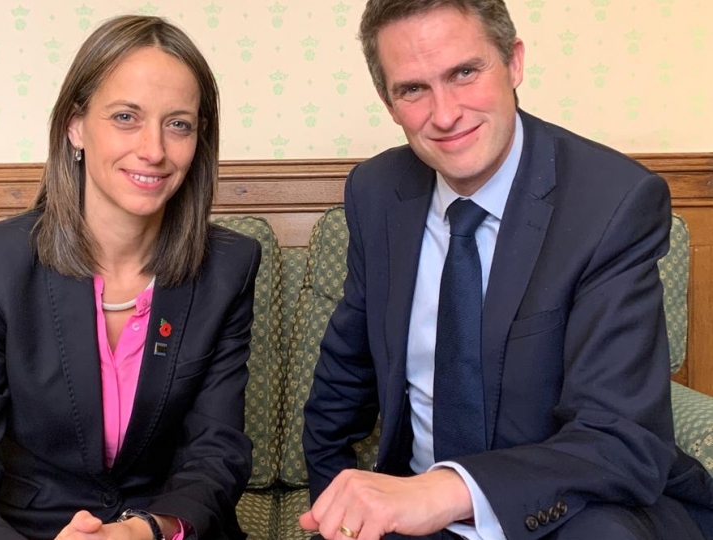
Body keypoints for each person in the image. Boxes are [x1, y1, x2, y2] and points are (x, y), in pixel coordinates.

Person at [300, 1, 713, 539]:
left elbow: (619, 436)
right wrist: (335, 507)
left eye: (465, 73)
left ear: (514, 63)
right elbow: (342, 379)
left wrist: (446, 490)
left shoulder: (612, 202)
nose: (445, 114)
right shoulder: (377, 193)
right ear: (388, 101)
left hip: (570, 512)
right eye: (413, 89)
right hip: (416, 518)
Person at [0, 15, 260, 540]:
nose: (154, 150)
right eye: (125, 116)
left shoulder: (229, 266)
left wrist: (150, 529)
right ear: (76, 125)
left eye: (178, 124)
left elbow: (216, 452)